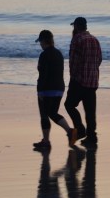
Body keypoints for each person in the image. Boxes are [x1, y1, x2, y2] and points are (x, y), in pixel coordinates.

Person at [33, 30, 77, 150]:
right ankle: (69, 132)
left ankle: (47, 141)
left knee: (44, 115)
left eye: (40, 42)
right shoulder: (59, 53)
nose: (40, 44)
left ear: (44, 41)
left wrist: (40, 91)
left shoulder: (44, 55)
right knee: (52, 113)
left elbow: (43, 74)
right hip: (59, 88)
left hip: (47, 89)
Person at [65, 17, 102, 147]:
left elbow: (73, 62)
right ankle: (92, 136)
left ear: (76, 26)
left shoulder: (77, 39)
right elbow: (99, 59)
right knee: (90, 111)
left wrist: (73, 77)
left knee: (69, 105)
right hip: (92, 81)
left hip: (79, 81)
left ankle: (80, 129)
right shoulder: (95, 39)